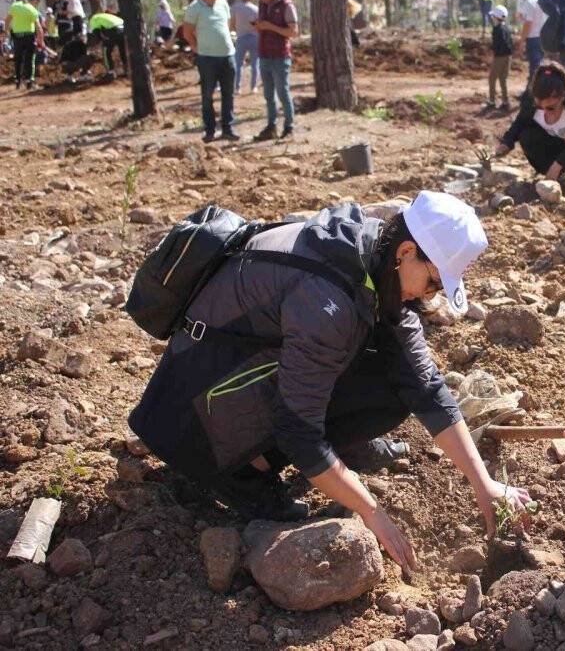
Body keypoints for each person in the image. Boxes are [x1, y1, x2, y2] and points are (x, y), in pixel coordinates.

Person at [129, 193, 534, 572]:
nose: (430, 295)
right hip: (195, 418)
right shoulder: (328, 302)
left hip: (236, 375)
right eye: (432, 282)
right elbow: (298, 431)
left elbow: (425, 386)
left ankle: (337, 452)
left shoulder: (373, 257)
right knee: (332, 372)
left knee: (398, 381)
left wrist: (485, 486)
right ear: (407, 252)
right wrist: (372, 511)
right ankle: (248, 473)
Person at [183, 0, 240, 143]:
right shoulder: (195, 8)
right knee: (207, 95)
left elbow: (227, 25)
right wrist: (197, 48)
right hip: (207, 58)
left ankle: (228, 128)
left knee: (228, 94)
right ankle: (210, 130)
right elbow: (187, 32)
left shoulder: (222, 3)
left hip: (228, 56)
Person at [251, 0, 298, 140]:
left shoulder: (286, 5)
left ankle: (289, 126)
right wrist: (259, 26)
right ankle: (271, 126)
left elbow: (293, 32)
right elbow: (262, 24)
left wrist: (270, 26)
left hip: (280, 55)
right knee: (268, 94)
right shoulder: (262, 4)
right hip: (264, 53)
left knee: (283, 92)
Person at [3, 0, 45, 89]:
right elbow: (39, 28)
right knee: (30, 59)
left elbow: (7, 20)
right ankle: (29, 82)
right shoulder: (32, 10)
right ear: (33, 1)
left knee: (18, 59)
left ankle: (18, 81)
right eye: (36, 3)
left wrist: (6, 32)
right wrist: (41, 40)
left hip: (17, 37)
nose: (36, 6)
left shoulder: (15, 6)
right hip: (29, 37)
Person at [230, 0, 259, 93]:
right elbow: (258, 25)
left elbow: (231, 23)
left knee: (238, 64)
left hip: (241, 37)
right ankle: (253, 87)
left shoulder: (235, 8)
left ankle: (237, 87)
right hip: (254, 38)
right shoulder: (255, 9)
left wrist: (236, 29)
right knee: (255, 64)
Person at [516, 0, 547, 80]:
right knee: (538, 64)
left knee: (534, 66)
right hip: (542, 36)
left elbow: (528, 24)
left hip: (533, 38)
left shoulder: (530, 2)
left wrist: (522, 41)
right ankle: (534, 89)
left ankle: (532, 91)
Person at [486, 5, 513, 111]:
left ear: (495, 17)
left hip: (500, 57)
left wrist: (495, 51)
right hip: (508, 56)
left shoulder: (497, 29)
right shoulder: (507, 28)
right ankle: (505, 102)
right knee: (503, 79)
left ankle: (492, 101)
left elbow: (498, 44)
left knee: (492, 78)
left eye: (493, 16)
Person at [89, 11, 126, 78]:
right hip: (124, 29)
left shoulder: (93, 19)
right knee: (122, 50)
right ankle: (127, 69)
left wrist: (101, 43)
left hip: (113, 30)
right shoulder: (107, 16)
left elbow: (97, 34)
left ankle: (110, 72)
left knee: (106, 52)